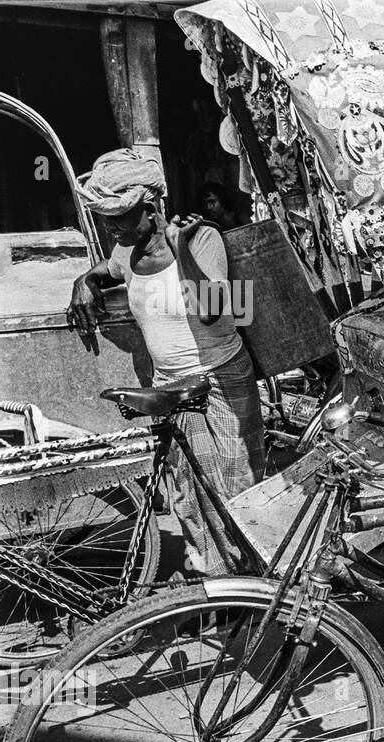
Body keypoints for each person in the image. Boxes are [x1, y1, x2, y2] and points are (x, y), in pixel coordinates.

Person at [69, 149, 264, 577]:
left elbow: (214, 309)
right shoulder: (127, 251)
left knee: (233, 485)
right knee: (189, 491)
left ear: (152, 208)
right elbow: (108, 269)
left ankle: (249, 581)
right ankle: (212, 576)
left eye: (120, 216)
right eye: (106, 218)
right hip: (171, 384)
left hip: (221, 379)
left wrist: (182, 249)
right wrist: (84, 280)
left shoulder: (201, 238)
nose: (111, 226)